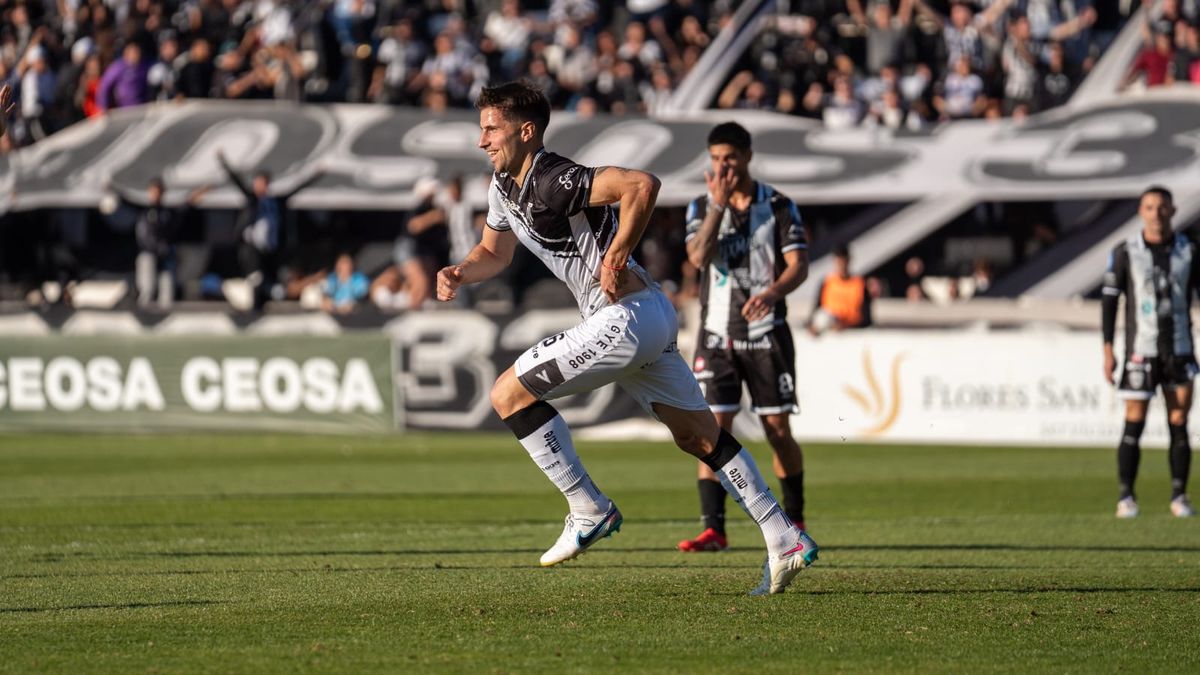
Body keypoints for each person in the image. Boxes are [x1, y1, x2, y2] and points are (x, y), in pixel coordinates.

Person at [436, 82, 818, 595]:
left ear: (526, 132)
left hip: (623, 316)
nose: (481, 139)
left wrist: (615, 255)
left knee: (507, 393)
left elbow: (641, 184)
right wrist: (460, 271)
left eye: (491, 128)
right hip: (645, 316)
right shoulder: (503, 186)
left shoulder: (553, 178)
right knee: (698, 436)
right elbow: (495, 253)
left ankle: (587, 507)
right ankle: (782, 534)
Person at [677, 122, 811, 553]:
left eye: (730, 158)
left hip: (766, 334)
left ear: (748, 156)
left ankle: (795, 516)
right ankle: (714, 529)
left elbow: (799, 266)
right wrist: (717, 206)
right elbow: (697, 257)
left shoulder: (778, 205)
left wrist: (772, 293)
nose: (723, 166)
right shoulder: (701, 206)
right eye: (716, 159)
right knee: (711, 429)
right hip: (716, 334)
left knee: (776, 428)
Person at [1101, 186, 1196, 519]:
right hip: (1140, 350)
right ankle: (1126, 496)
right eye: (1149, 207)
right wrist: (1108, 348)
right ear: (1141, 211)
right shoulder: (1126, 251)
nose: (1156, 213)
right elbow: (1111, 301)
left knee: (1179, 420)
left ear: (1171, 210)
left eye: (1162, 207)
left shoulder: (1189, 250)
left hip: (1180, 348)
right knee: (1134, 421)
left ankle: (1179, 496)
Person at [216, 151, 322, 309]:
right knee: (256, 277)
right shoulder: (252, 201)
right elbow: (237, 181)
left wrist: (316, 175)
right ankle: (255, 307)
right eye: (257, 183)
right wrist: (224, 163)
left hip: (270, 249)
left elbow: (297, 188)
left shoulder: (275, 203)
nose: (260, 187)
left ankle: (265, 303)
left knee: (272, 281)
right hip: (251, 248)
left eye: (263, 183)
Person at [809, 244, 872, 334]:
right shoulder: (826, 282)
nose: (841, 264)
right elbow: (815, 311)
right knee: (822, 317)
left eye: (843, 260)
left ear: (849, 260)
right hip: (829, 334)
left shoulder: (860, 284)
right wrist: (813, 326)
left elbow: (867, 319)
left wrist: (846, 326)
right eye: (838, 261)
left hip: (851, 334)